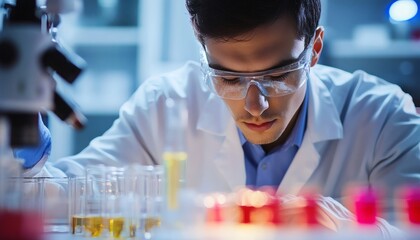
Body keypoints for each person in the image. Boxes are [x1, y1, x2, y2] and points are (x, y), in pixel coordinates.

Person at [31, 0, 419, 236]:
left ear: (314, 49)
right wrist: (27, 144)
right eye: (228, 78)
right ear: (204, 55)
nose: (255, 105)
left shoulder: (382, 117)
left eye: (277, 75)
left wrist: (338, 226)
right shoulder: (166, 105)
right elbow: (61, 200)